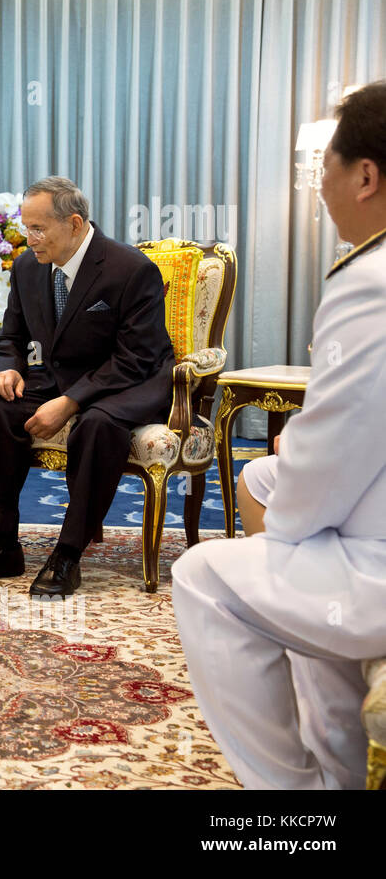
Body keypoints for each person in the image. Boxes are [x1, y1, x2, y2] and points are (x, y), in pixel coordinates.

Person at [172, 80, 386, 789]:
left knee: (205, 575)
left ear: (365, 175)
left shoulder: (371, 280)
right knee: (268, 484)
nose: (318, 182)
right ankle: (341, 754)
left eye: (325, 163)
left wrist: (292, 524)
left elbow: (334, 442)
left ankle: (297, 799)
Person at [0, 176, 174, 598]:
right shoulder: (27, 266)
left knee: (96, 426)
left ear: (74, 224)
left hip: (127, 382)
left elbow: (136, 358)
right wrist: (9, 369)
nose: (28, 238)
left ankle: (68, 553)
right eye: (25, 227)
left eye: (38, 229)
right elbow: (10, 338)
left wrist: (70, 402)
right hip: (54, 380)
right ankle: (0, 542)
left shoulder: (131, 270)